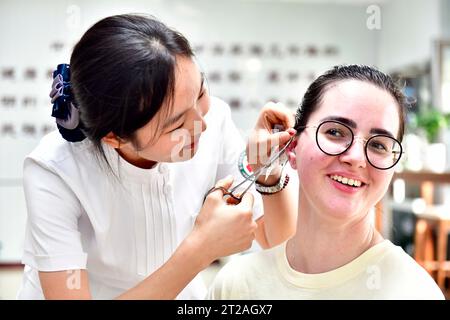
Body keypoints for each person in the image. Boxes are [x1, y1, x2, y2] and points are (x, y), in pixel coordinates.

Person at [17, 14, 297, 300]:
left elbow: (279, 244)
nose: (202, 123)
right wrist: (200, 251)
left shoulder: (214, 120)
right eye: (176, 124)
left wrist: (268, 172)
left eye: (201, 92)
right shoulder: (54, 172)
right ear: (114, 137)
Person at [207, 65, 445, 300]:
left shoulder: (414, 292)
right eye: (335, 132)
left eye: (378, 144)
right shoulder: (234, 286)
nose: (355, 158)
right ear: (293, 146)